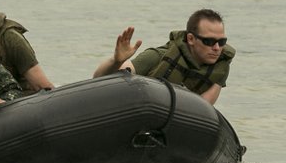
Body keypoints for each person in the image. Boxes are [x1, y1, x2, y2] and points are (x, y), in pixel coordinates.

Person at [92, 8, 235, 105]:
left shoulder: (221, 68)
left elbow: (205, 106)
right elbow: (99, 79)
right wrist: (116, 61)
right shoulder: (157, 56)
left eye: (221, 42)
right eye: (209, 41)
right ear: (191, 39)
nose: (216, 48)